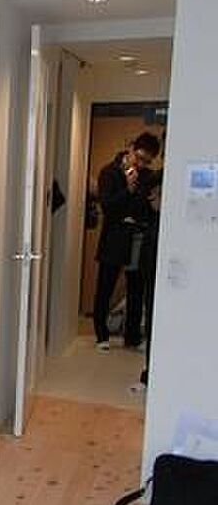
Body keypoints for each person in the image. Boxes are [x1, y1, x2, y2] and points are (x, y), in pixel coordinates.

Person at [93, 132, 161, 351]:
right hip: (114, 238)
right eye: (139, 157)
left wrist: (151, 204)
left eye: (146, 161)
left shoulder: (148, 177)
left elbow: (146, 208)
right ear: (131, 148)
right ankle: (101, 334)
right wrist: (128, 190)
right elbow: (107, 206)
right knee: (106, 286)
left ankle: (132, 336)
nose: (140, 164)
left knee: (136, 289)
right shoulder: (109, 172)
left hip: (137, 237)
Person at [137, 171, 163, 388]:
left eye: (155, 194)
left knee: (156, 321)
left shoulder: (167, 223)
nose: (151, 198)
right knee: (151, 317)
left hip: (159, 276)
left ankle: (153, 369)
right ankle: (150, 367)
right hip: (151, 273)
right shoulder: (155, 218)